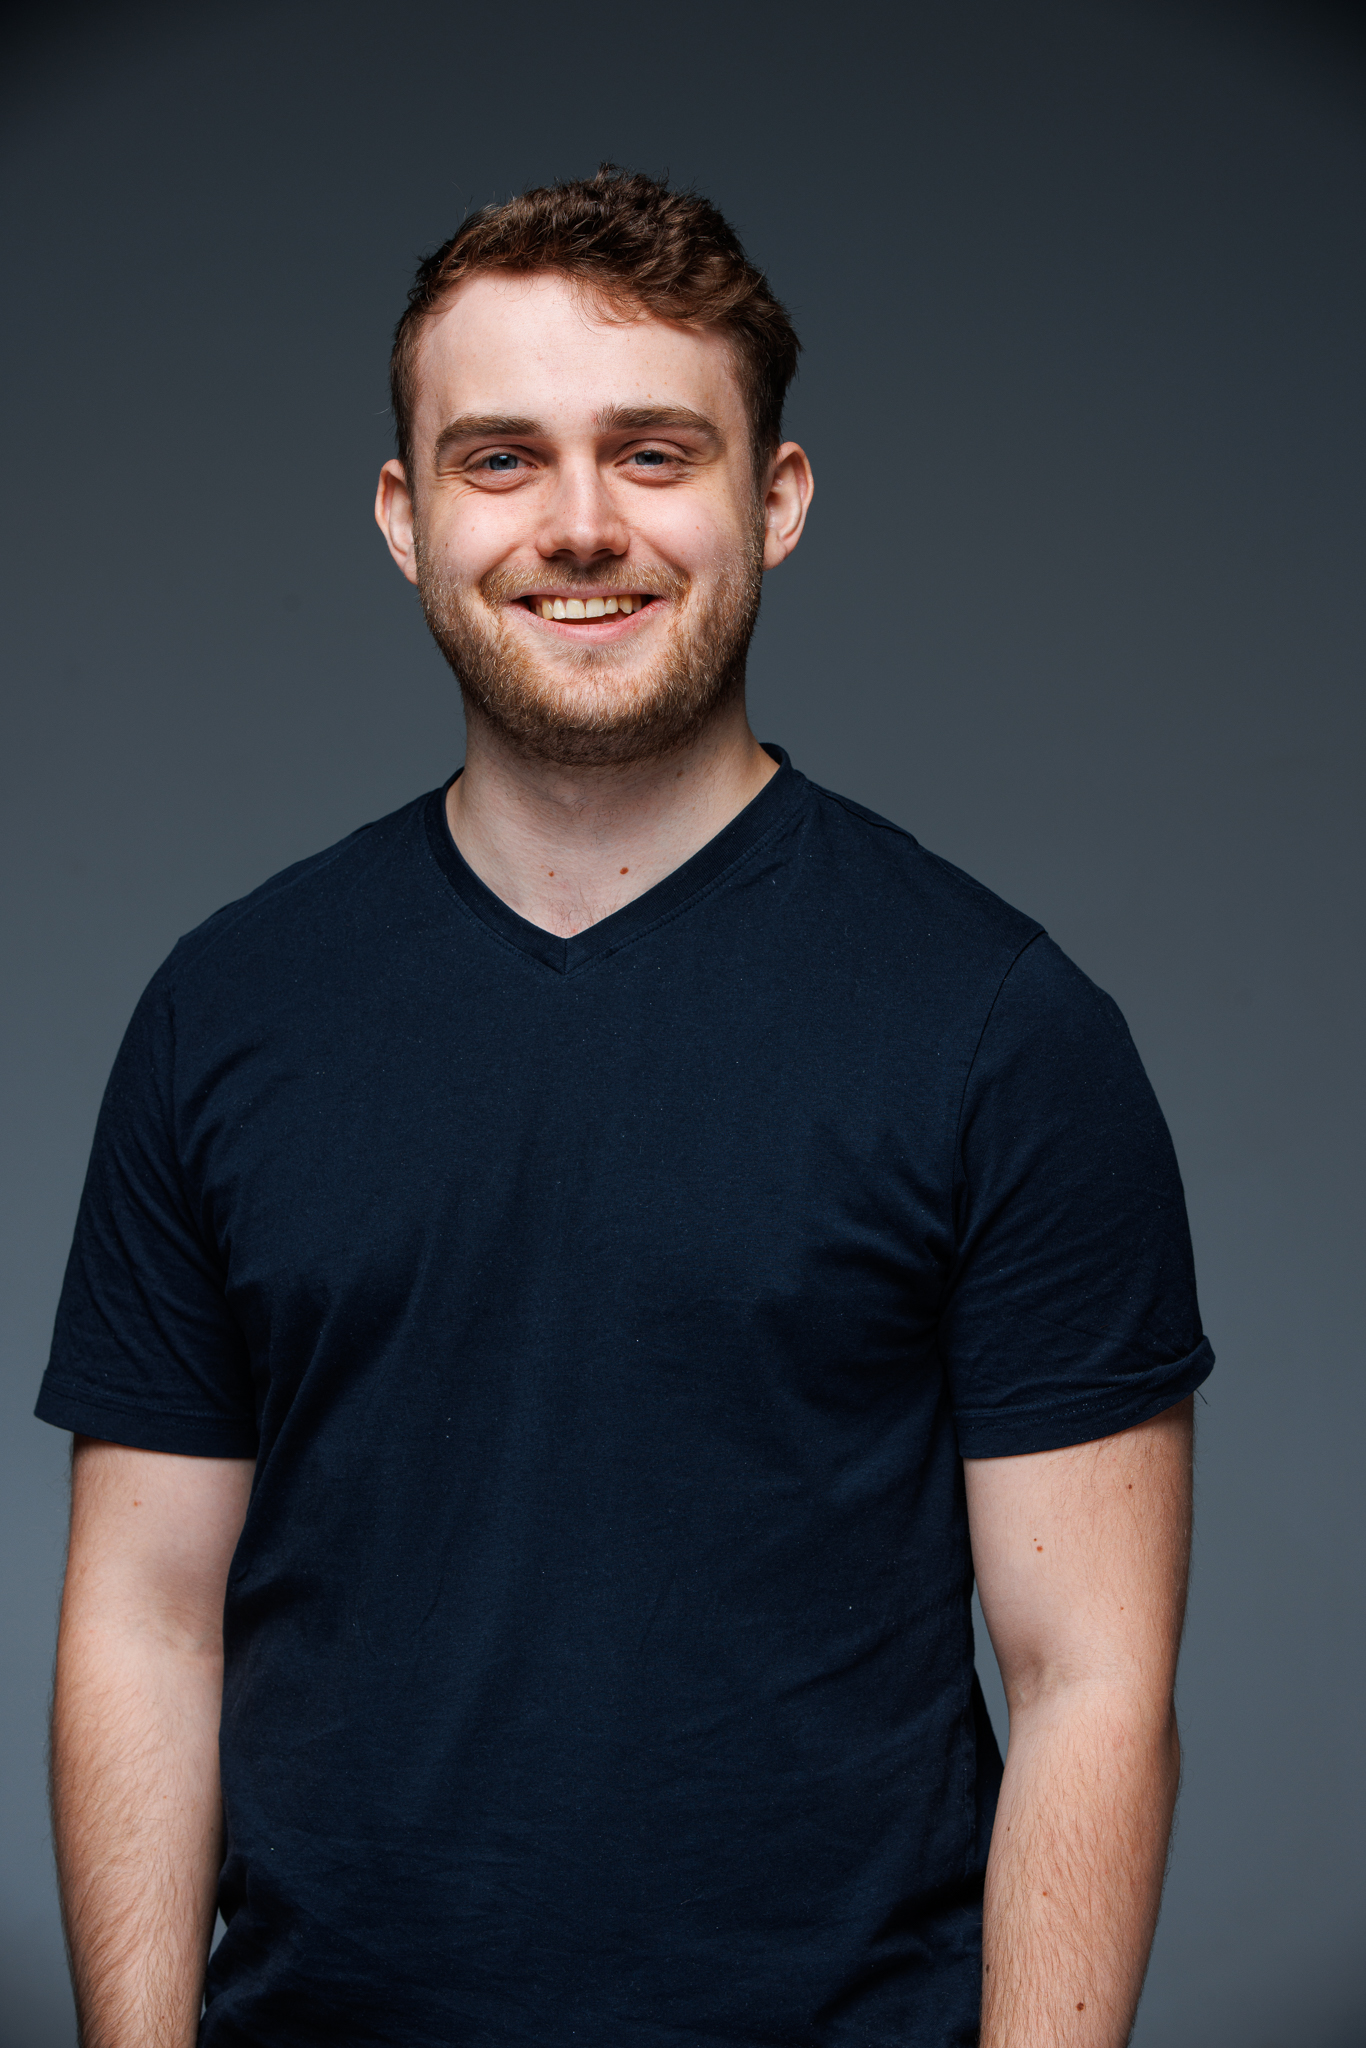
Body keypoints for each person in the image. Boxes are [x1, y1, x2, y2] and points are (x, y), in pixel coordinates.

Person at [38, 166, 1212, 2048]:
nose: (580, 525)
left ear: (776, 500)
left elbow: (1091, 1684)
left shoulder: (999, 1029)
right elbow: (141, 1623)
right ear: (405, 517)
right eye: (501, 460)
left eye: (654, 454)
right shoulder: (225, 1012)